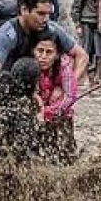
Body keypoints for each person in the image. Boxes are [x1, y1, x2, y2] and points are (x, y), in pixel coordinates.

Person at [0, 0, 89, 81]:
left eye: (48, 14)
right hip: (12, 84)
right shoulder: (8, 33)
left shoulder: (51, 28)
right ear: (24, 10)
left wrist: (69, 85)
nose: (46, 19)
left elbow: (82, 55)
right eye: (41, 14)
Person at [33, 29, 78, 164]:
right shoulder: (27, 65)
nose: (43, 56)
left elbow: (70, 96)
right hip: (35, 112)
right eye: (40, 51)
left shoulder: (64, 65)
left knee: (65, 156)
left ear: (57, 54)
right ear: (33, 50)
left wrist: (47, 112)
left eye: (49, 52)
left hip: (60, 114)